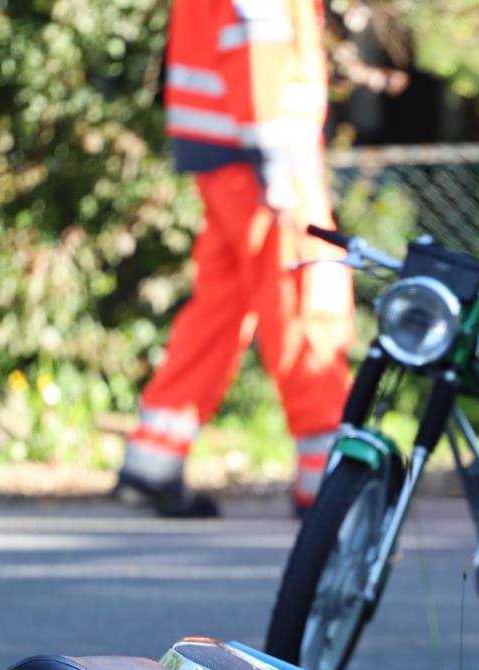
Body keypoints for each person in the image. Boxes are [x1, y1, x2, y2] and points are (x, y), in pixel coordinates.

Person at [112, 0, 355, 518]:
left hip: (228, 155)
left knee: (220, 309)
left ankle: (154, 458)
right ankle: (326, 474)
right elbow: (258, 51)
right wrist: (273, 164)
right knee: (303, 298)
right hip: (265, 161)